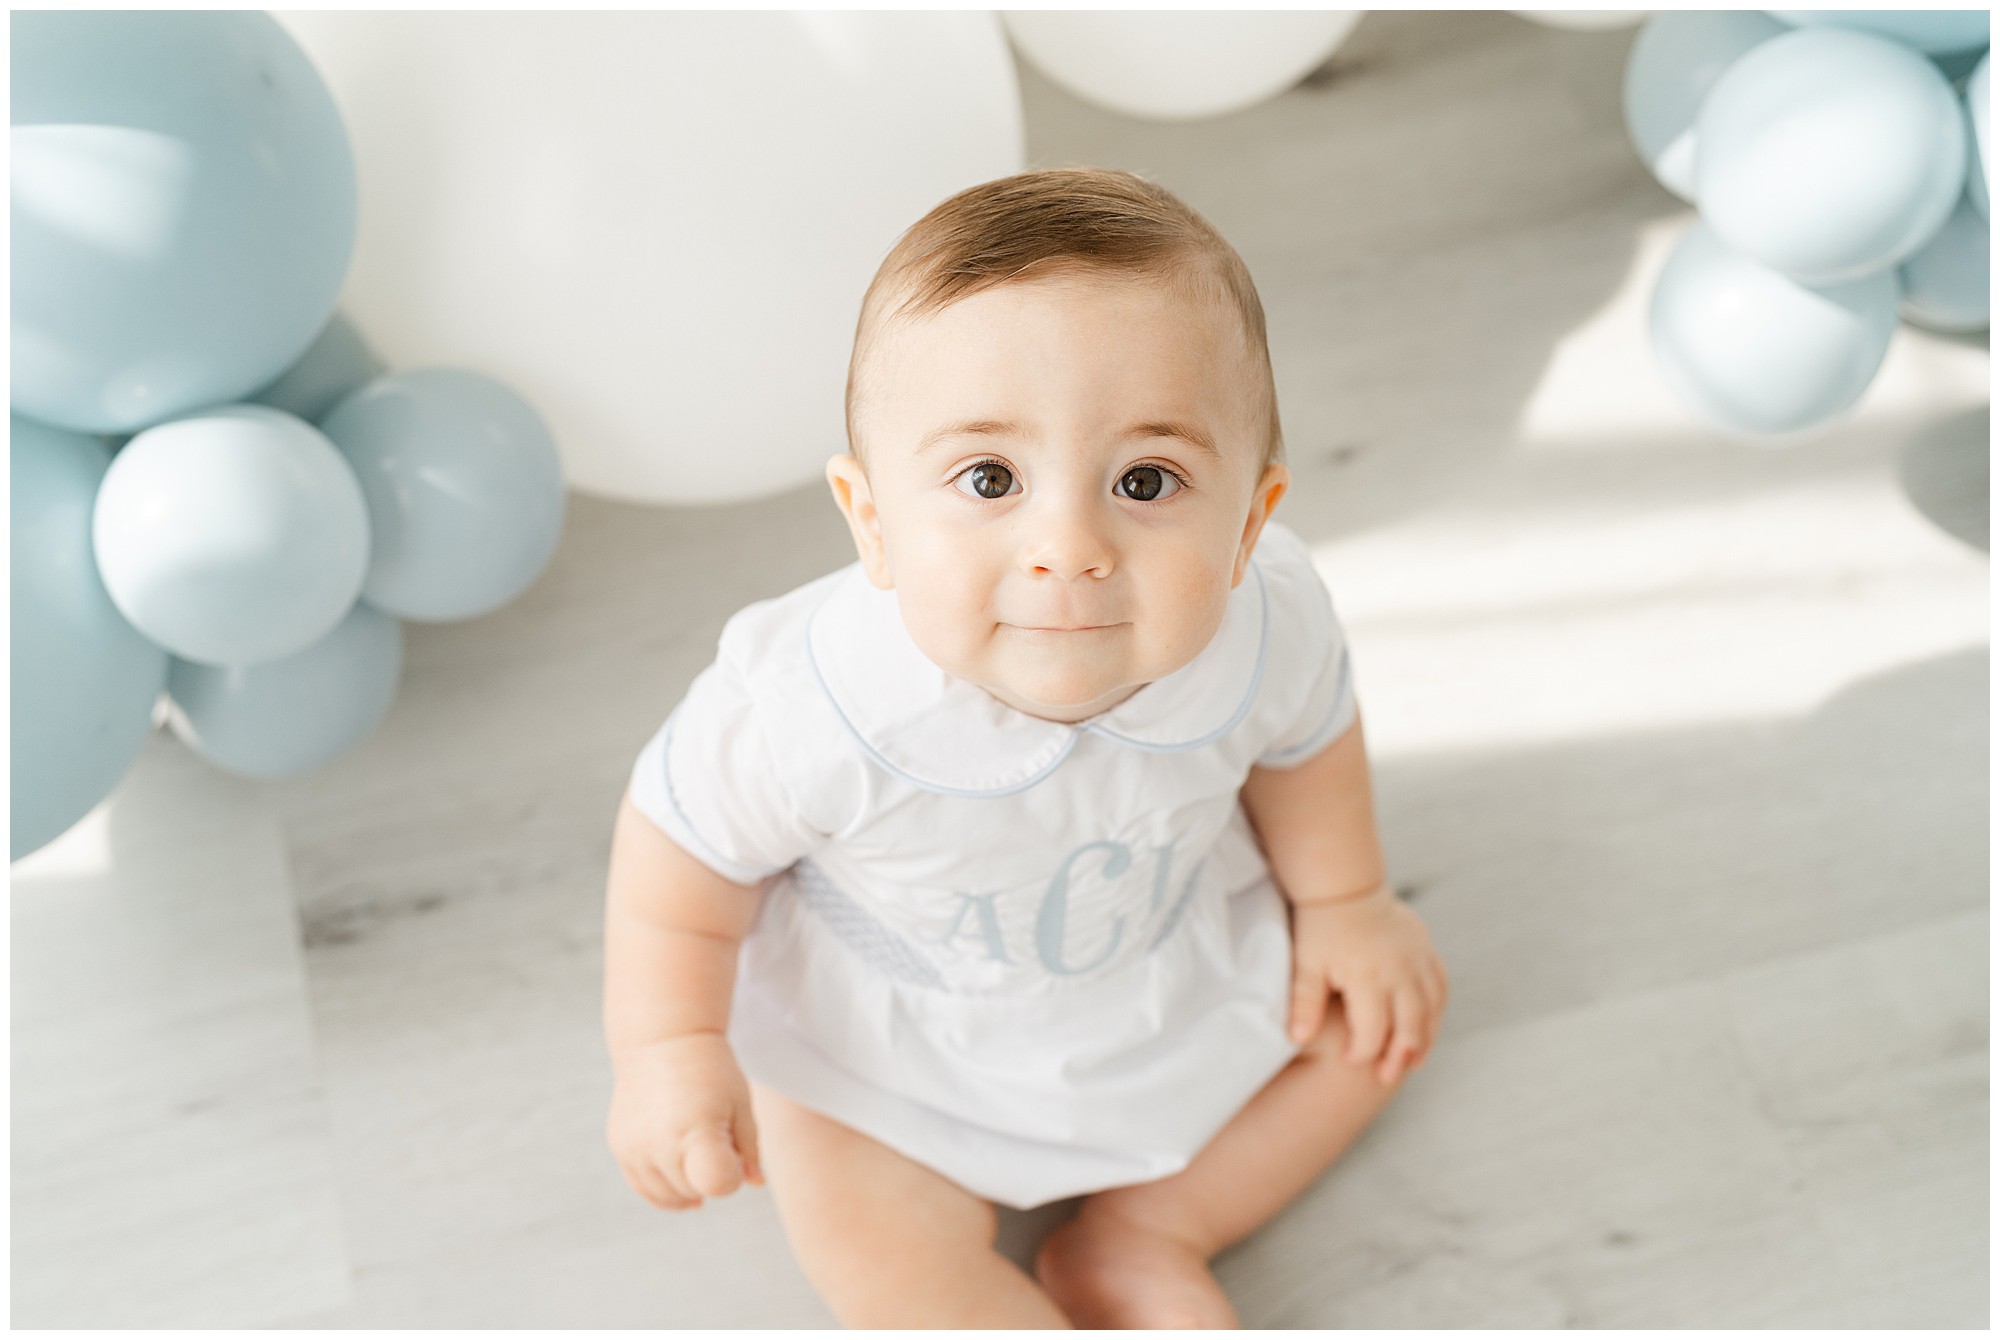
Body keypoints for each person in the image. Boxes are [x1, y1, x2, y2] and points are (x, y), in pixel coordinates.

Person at [603, 166, 1447, 1328]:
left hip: (1167, 961)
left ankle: (1149, 1233)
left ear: (1250, 520)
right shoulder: (816, 705)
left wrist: (1347, 898)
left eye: (1144, 480)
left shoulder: (1265, 624)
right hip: (898, 1046)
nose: (1067, 545)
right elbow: (677, 859)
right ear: (872, 521)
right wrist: (668, 1043)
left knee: (1371, 1025)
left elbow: (1308, 738)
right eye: (988, 478)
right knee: (872, 1240)